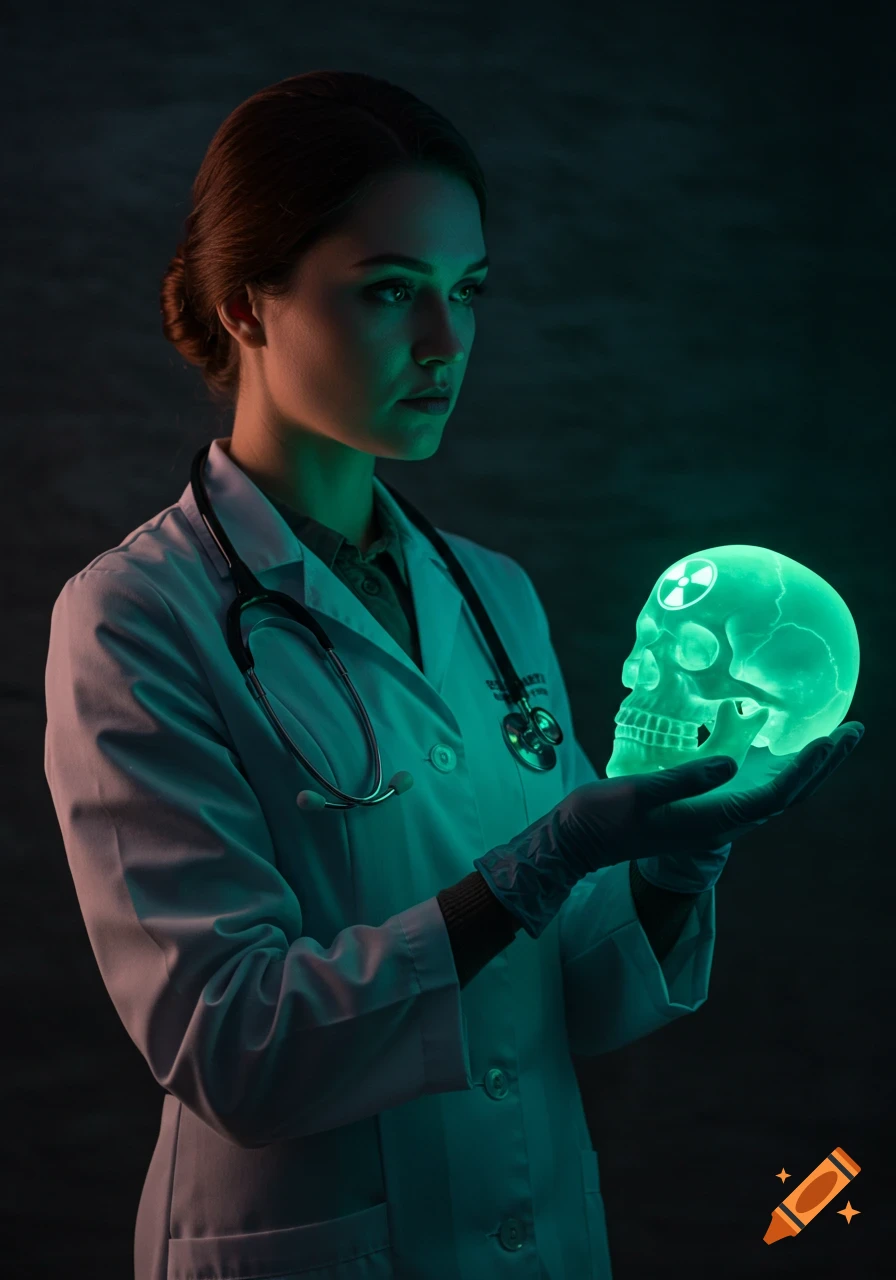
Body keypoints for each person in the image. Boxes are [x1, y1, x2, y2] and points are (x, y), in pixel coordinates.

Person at [43, 70, 863, 1280]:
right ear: (246, 305)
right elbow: (233, 1048)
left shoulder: (491, 595)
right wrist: (537, 863)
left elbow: (578, 997)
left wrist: (672, 865)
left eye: (466, 290)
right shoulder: (136, 616)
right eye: (390, 291)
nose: (445, 343)